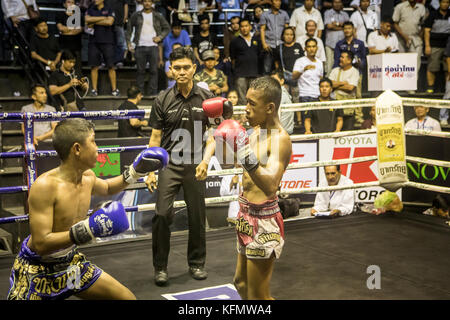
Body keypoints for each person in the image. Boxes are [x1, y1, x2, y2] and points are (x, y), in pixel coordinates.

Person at [8, 118, 169, 300]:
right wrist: (87, 230)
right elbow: (41, 244)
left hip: (71, 265)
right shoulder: (45, 186)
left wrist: (135, 171)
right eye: (93, 141)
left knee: (127, 298)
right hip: (37, 271)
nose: (97, 147)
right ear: (77, 149)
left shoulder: (88, 177)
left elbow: (108, 187)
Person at [144, 47, 219, 286]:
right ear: (170, 70)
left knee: (197, 217)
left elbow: (213, 136)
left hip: (196, 164)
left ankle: (196, 264)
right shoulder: (162, 99)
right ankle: (160, 267)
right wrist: (150, 170)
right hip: (169, 164)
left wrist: (206, 161)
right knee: (161, 214)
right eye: (177, 68)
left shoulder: (208, 99)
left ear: (194, 69)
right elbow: (155, 140)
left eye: (186, 67)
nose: (182, 72)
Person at [213, 76, 292, 300]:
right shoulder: (256, 132)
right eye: (246, 102)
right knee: (240, 284)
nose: (246, 109)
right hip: (245, 215)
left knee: (259, 296)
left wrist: (245, 153)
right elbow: (230, 161)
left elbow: (270, 185)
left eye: (252, 104)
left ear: (270, 108)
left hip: (264, 221)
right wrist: (217, 131)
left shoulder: (280, 140)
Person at [127, 0, 170, 96]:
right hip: (140, 45)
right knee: (140, 71)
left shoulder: (157, 15)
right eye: (145, 1)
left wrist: (160, 37)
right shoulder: (136, 15)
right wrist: (129, 42)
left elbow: (167, 27)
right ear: (142, 3)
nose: (147, 3)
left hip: (153, 46)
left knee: (154, 71)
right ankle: (139, 94)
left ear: (152, 3)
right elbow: (129, 28)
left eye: (149, 1)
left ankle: (153, 93)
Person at [85, 0, 119, 96]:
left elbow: (109, 22)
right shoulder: (91, 8)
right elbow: (87, 20)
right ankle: (94, 90)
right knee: (94, 66)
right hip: (94, 41)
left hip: (108, 41)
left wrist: (94, 20)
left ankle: (114, 90)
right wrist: (103, 18)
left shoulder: (109, 7)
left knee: (111, 66)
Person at [392, 0, 427, 92]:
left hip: (415, 38)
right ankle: (400, 87)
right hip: (401, 38)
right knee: (400, 64)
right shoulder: (400, 6)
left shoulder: (421, 7)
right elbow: (395, 23)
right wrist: (405, 37)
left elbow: (423, 24)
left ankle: (411, 88)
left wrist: (419, 36)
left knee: (415, 64)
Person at [329, 51, 362, 130]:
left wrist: (336, 86)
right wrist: (343, 83)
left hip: (348, 109)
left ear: (349, 60)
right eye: (340, 57)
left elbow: (350, 88)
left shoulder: (354, 72)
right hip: (335, 107)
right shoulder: (335, 70)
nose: (340, 59)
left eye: (342, 57)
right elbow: (329, 84)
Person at [230, 17, 261, 105]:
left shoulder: (256, 39)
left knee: (254, 98)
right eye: (242, 26)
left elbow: (259, 55)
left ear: (250, 27)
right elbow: (233, 59)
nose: (244, 28)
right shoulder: (235, 41)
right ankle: (242, 119)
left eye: (246, 26)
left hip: (254, 73)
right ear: (240, 28)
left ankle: (254, 118)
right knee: (242, 99)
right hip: (240, 74)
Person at [423, 0, 450, 93]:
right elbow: (426, 31)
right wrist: (427, 45)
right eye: (443, 2)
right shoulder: (433, 15)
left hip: (448, 45)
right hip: (435, 45)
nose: (445, 4)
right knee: (432, 67)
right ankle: (430, 88)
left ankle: (448, 89)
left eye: (447, 2)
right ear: (439, 3)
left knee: (448, 68)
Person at [259, 0, 290, 75]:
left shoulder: (284, 14)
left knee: (282, 68)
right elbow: (262, 29)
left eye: (279, 1)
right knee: (267, 69)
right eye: (276, 1)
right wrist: (264, 44)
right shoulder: (265, 14)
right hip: (269, 45)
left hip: (281, 45)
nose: (279, 3)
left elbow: (287, 29)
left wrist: (287, 43)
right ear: (271, 2)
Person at [56, 0, 84, 75]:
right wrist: (73, 28)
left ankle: (77, 85)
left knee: (77, 71)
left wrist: (66, 30)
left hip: (76, 47)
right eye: (68, 2)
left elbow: (78, 30)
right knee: (62, 69)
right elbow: (61, 28)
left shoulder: (79, 16)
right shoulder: (60, 15)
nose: (71, 4)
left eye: (72, 2)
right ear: (64, 4)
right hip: (63, 47)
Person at [292, 38, 324, 103]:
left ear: (317, 48)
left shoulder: (320, 62)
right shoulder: (299, 61)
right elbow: (293, 77)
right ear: (305, 48)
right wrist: (303, 69)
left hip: (317, 95)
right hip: (304, 95)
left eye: (313, 46)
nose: (311, 49)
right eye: (309, 46)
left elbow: (321, 79)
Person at [323, 0, 349, 75]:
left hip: (343, 44)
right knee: (329, 66)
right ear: (332, 3)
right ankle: (328, 84)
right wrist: (341, 26)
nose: (337, 4)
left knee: (343, 65)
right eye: (335, 2)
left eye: (339, 2)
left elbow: (348, 27)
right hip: (330, 44)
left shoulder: (345, 14)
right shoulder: (328, 13)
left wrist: (336, 24)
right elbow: (329, 26)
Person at [271, 70, 295, 134]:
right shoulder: (280, 93)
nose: (272, 83)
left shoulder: (280, 95)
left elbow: (275, 117)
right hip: (281, 130)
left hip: (281, 132)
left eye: (275, 80)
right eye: (271, 81)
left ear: (282, 81)